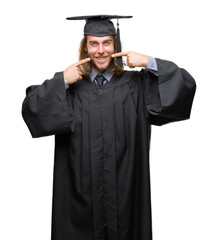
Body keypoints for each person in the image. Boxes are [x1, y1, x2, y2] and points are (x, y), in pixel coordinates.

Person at [22, 15, 196, 240]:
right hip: (79, 201)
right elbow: (31, 108)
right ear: (85, 48)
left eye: (107, 43)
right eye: (94, 43)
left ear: (116, 45)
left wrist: (149, 62)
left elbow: (185, 85)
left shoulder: (138, 86)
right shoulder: (69, 88)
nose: (100, 50)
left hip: (126, 197)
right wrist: (62, 80)